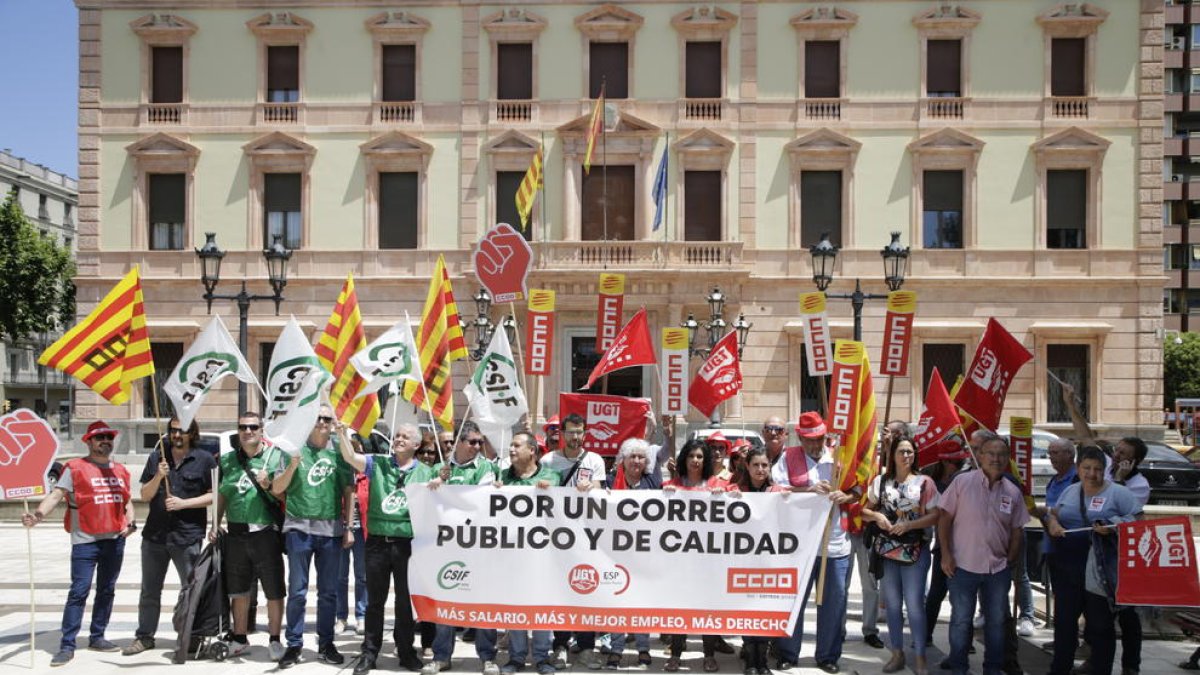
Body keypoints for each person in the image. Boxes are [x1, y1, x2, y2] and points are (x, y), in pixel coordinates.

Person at [22, 420, 136, 667]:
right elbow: (55, 495)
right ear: (89, 441)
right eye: (99, 437)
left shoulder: (120, 470)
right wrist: (38, 515)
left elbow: (126, 501)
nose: (105, 441)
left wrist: (131, 523)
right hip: (85, 542)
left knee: (107, 590)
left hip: (114, 541)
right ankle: (67, 644)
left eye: (108, 436)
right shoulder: (75, 468)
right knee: (79, 591)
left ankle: (97, 636)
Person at [338, 422, 436, 675]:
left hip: (407, 545)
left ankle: (405, 651)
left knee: (405, 602)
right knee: (375, 602)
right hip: (378, 543)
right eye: (397, 435)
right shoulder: (377, 463)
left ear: (416, 445)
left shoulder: (426, 472)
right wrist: (341, 433)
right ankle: (369, 652)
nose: (399, 439)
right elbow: (349, 456)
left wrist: (439, 485)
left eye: (406, 437)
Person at [771, 411, 859, 674]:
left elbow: (859, 488)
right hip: (799, 545)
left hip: (834, 543)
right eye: (809, 439)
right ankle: (787, 652)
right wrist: (807, 491)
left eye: (819, 438)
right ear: (799, 437)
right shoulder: (788, 458)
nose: (814, 444)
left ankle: (828, 655)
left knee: (834, 602)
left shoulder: (840, 457)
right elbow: (777, 491)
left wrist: (846, 495)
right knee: (793, 600)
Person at [938, 432, 1030, 675]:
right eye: (990, 454)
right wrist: (946, 554)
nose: (996, 459)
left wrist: (1010, 557)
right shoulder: (962, 482)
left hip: (997, 569)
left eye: (1001, 455)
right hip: (962, 566)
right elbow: (944, 519)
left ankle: (993, 668)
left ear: (1007, 459)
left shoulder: (1012, 491)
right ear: (979, 455)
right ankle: (959, 667)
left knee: (997, 623)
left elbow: (1017, 530)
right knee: (960, 620)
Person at [122, 417, 216, 655]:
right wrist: (157, 476)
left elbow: (214, 495)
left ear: (191, 433)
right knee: (150, 590)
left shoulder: (204, 459)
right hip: (155, 536)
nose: (176, 435)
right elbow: (144, 494)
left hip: (187, 536)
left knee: (191, 590)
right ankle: (145, 636)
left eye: (182, 431)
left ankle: (191, 635)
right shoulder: (157, 457)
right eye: (173, 431)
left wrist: (185, 503)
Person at [271, 406, 356, 668]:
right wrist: (293, 465)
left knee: (328, 592)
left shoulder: (339, 452)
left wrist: (349, 527)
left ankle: (326, 643)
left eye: (326, 418)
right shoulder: (291, 448)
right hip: (298, 530)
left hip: (330, 531)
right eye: (316, 417)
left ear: (333, 423)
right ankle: (294, 644)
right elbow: (276, 488)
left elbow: (349, 490)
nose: (321, 422)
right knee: (297, 591)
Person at [1045, 446, 1139, 675]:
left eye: (1097, 469)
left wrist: (1113, 525)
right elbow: (1054, 514)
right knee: (1065, 623)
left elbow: (1138, 520)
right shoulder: (1070, 491)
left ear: (1104, 470)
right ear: (1078, 469)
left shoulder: (1119, 493)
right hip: (1068, 566)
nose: (1091, 473)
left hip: (1101, 570)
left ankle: (1101, 668)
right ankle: (1060, 669)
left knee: (1100, 626)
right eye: (1086, 468)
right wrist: (1053, 524)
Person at [426, 421, 501, 675]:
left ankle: (487, 656)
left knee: (483, 603)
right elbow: (424, 500)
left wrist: (451, 493)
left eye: (480, 442)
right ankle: (441, 656)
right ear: (458, 442)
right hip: (447, 546)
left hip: (478, 546)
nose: (478, 447)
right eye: (472, 442)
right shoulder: (439, 468)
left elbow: (480, 500)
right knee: (446, 601)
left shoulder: (487, 468)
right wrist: (436, 483)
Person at [211, 411, 287, 660]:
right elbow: (222, 494)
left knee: (274, 589)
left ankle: (275, 639)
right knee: (238, 590)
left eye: (253, 427)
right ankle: (240, 637)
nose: (248, 431)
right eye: (243, 427)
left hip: (265, 533)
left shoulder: (275, 458)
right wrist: (214, 522)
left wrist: (270, 487)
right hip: (236, 533)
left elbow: (287, 498)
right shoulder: (228, 460)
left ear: (261, 430)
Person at [862, 437, 940, 675]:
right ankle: (897, 653)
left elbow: (936, 515)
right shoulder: (880, 481)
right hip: (887, 551)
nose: (906, 455)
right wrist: (877, 517)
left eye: (910, 451)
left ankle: (920, 658)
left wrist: (910, 525)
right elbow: (863, 510)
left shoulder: (925, 483)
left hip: (915, 551)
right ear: (892, 454)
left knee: (915, 606)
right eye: (902, 451)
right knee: (893, 606)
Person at [540, 413, 604, 667]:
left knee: (586, 590)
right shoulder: (548, 460)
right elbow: (537, 486)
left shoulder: (594, 460)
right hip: (555, 537)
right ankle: (560, 645)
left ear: (584, 434)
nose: (575, 437)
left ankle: (587, 646)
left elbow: (600, 490)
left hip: (586, 536)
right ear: (561, 435)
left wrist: (592, 488)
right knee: (560, 591)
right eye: (570, 432)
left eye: (579, 432)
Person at [496, 432, 561, 675]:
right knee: (515, 607)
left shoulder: (551, 476)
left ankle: (542, 657)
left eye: (516, 445)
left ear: (532, 451)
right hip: (511, 554)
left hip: (542, 556)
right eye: (510, 445)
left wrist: (552, 490)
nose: (511, 450)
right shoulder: (502, 477)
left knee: (541, 605)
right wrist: (494, 492)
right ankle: (516, 657)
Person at [662, 439, 729, 672]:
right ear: (684, 459)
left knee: (707, 607)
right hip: (679, 560)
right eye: (691, 456)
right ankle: (676, 654)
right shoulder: (672, 484)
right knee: (679, 608)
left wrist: (727, 495)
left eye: (700, 457)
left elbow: (741, 502)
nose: (695, 460)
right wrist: (666, 494)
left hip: (708, 562)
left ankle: (709, 655)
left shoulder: (716, 484)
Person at [602, 438, 661, 669]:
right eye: (632, 456)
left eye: (641, 457)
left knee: (641, 602)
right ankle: (616, 649)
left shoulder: (652, 481)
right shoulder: (609, 480)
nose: (637, 461)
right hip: (615, 552)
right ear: (623, 460)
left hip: (644, 552)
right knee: (617, 602)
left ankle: (643, 648)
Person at [728, 447, 787, 675]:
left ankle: (762, 659)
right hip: (743, 562)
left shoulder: (778, 491)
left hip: (770, 561)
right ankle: (750, 658)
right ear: (747, 467)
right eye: (756, 465)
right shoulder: (735, 490)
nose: (760, 469)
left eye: (764, 465)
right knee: (746, 609)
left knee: (765, 608)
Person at [922, 444, 971, 646]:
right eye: (956, 463)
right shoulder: (932, 484)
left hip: (965, 546)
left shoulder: (966, 481)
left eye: (962, 462)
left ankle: (964, 642)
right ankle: (924, 635)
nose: (960, 466)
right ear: (944, 462)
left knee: (963, 598)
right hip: (943, 547)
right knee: (936, 593)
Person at [337, 434, 370, 637]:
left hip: (362, 531)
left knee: (362, 576)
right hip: (340, 530)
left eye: (357, 450)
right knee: (340, 577)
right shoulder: (340, 474)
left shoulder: (368, 476)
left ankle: (361, 615)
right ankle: (341, 617)